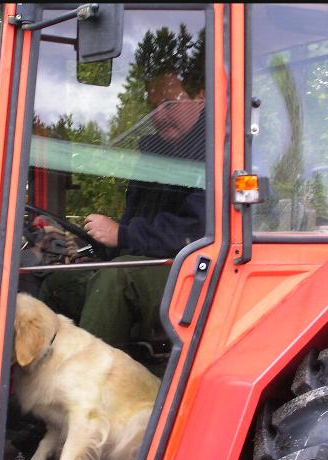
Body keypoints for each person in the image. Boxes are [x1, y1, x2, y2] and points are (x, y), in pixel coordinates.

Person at [38, 62, 206, 349]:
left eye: (169, 104)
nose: (159, 116)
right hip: (157, 264)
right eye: (154, 107)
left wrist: (123, 235)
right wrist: (85, 245)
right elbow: (131, 229)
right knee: (59, 282)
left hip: (199, 272)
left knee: (117, 277)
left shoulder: (217, 150)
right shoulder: (155, 154)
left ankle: (88, 384)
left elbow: (198, 230)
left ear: (201, 98)